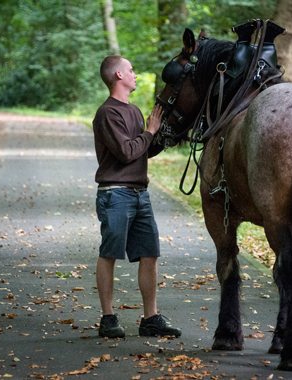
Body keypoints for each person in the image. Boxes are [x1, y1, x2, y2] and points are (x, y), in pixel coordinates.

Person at [92, 55, 181, 339]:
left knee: (149, 254)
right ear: (118, 75)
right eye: (131, 70)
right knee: (110, 254)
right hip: (115, 194)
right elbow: (127, 151)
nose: (135, 74)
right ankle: (108, 318)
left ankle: (150, 319)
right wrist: (150, 131)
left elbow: (142, 149)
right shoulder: (107, 113)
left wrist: (162, 137)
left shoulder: (135, 110)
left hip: (140, 194)